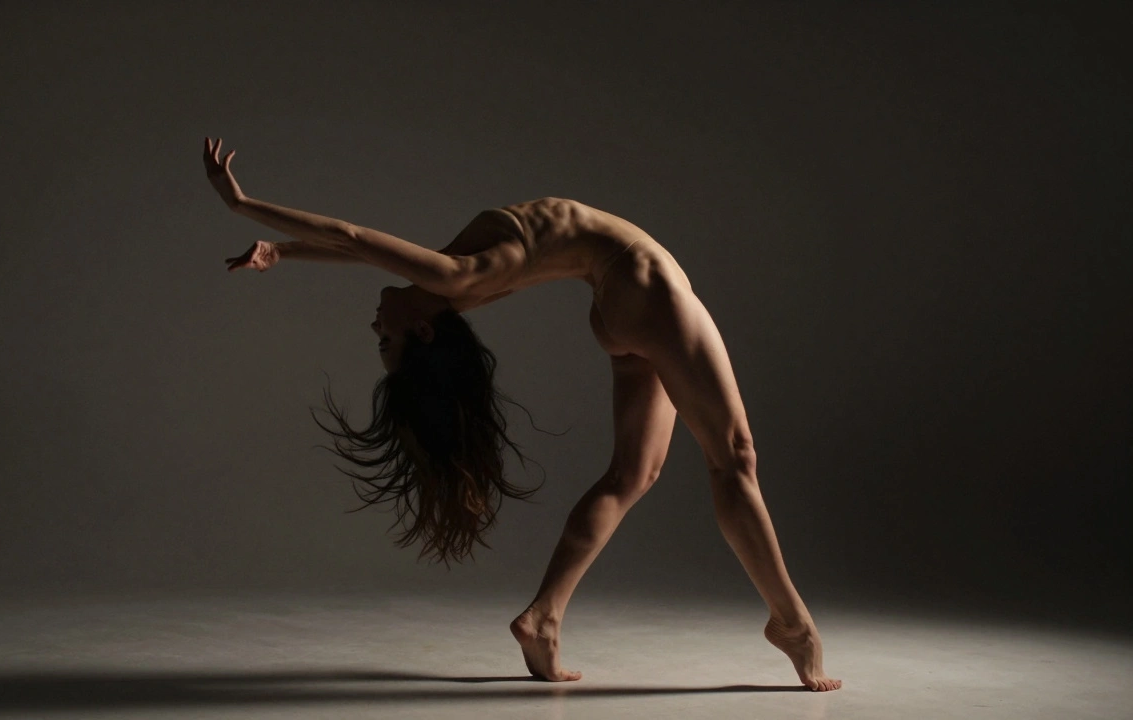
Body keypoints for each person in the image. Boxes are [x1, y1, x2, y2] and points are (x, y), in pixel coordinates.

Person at [203, 137, 843, 692]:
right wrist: (242, 204)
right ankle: (791, 621)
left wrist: (281, 252)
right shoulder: (456, 278)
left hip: (613, 308)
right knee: (734, 459)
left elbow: (361, 250)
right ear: (421, 332)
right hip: (642, 285)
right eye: (385, 341)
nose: (375, 327)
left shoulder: (450, 281)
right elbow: (352, 236)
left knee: (631, 475)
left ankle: (544, 617)